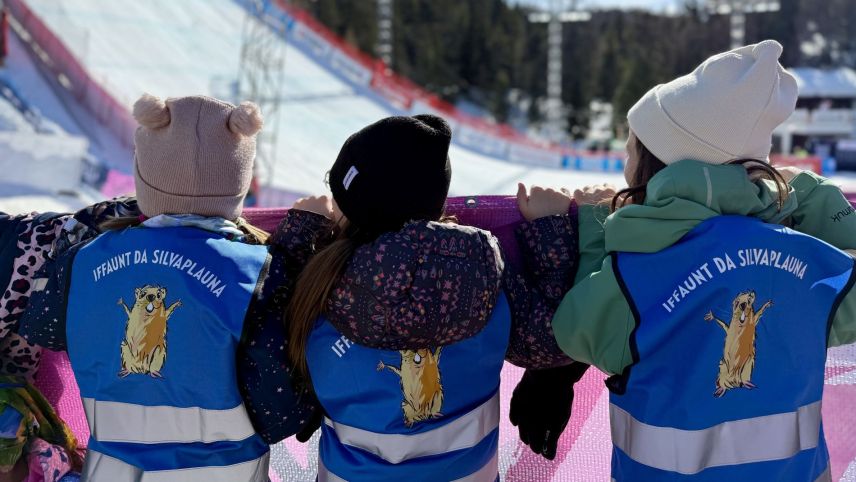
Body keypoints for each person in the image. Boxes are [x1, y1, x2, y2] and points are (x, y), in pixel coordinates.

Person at [516, 40, 856, 480]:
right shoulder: (810, 264)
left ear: (653, 167)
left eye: (632, 148)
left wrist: (594, 229)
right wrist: (801, 189)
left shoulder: (638, 274)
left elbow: (576, 329)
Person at [15, 94, 317, 481]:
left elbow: (41, 326)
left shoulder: (84, 259)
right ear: (237, 180)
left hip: (112, 470)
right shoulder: (257, 270)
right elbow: (279, 409)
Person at [278, 114, 586, 481]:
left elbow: (259, 327)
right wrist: (550, 230)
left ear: (351, 200)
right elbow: (552, 342)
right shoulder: (485, 273)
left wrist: (298, 233)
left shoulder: (316, 281)